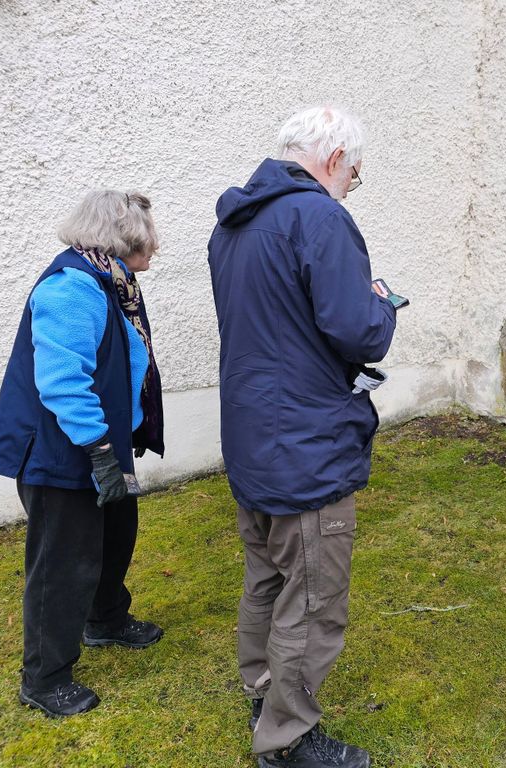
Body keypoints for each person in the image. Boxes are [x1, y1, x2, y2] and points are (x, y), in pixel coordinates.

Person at [208, 106, 396, 768]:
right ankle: (286, 740)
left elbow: (278, 326)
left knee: (267, 576)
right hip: (305, 443)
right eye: (355, 173)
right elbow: (359, 330)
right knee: (313, 598)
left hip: (254, 434)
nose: (351, 185)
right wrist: (381, 305)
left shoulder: (234, 225)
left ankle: (263, 693)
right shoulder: (318, 217)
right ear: (335, 158)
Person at [0, 190, 166, 718]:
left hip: (101, 446)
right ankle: (44, 677)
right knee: (63, 563)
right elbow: (63, 382)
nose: (155, 249)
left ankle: (105, 620)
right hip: (65, 453)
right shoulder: (71, 287)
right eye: (149, 240)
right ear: (122, 241)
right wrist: (101, 450)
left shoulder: (111, 283)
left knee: (114, 536)